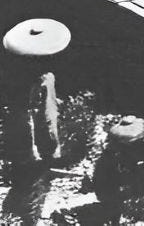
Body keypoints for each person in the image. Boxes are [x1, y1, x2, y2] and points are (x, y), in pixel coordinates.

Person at [1, 18, 70, 225]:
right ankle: (28, 218)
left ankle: (12, 211)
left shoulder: (12, 73)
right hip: (34, 140)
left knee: (21, 174)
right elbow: (46, 117)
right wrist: (52, 145)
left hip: (16, 131)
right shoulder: (44, 80)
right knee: (35, 182)